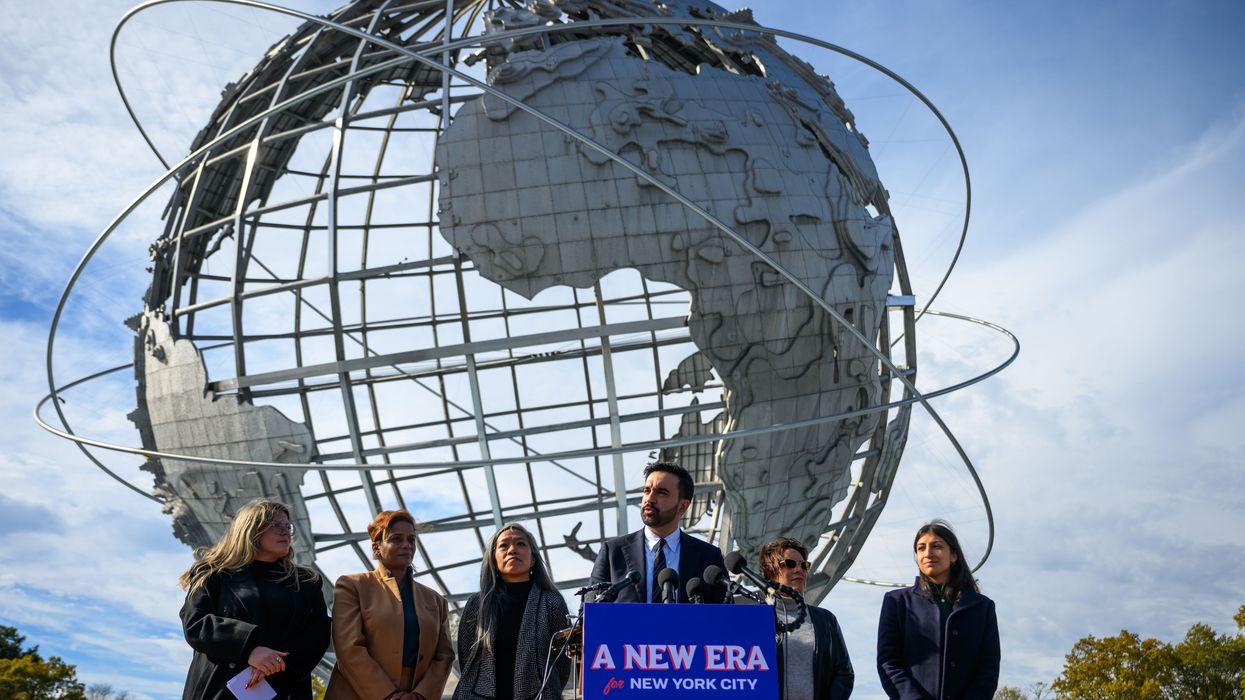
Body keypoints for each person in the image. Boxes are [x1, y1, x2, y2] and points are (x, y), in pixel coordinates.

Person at [179, 498, 330, 700]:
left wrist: (274, 663)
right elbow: (196, 623)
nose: (286, 532)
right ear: (251, 529)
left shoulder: (306, 582)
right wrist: (249, 650)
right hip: (220, 689)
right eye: (276, 525)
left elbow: (318, 633)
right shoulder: (213, 573)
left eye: (288, 526)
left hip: (283, 688)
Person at [326, 510, 453, 700]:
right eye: (396, 539)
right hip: (357, 693)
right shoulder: (352, 586)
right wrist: (386, 695)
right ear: (377, 548)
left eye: (411, 539)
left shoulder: (436, 601)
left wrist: (420, 695)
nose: (406, 545)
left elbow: (444, 656)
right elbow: (348, 649)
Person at [876, 520, 1000, 700]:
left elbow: (988, 667)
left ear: (954, 556)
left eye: (937, 546)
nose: (928, 553)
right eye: (921, 548)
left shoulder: (982, 607)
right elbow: (889, 663)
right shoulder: (896, 602)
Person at [454, 523, 571, 700]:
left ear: (533, 559)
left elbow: (562, 661)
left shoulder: (552, 602)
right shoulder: (477, 604)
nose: (512, 550)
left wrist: (546, 688)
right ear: (493, 559)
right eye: (503, 545)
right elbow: (466, 658)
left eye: (521, 544)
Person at [589, 461, 726, 603]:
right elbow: (589, 613)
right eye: (647, 491)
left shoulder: (709, 557)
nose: (650, 499)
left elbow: (725, 618)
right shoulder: (613, 552)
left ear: (682, 506)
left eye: (661, 493)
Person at [760, 536, 854, 700]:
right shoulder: (753, 621)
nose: (799, 569)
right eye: (790, 564)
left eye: (804, 565)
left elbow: (844, 674)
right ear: (770, 572)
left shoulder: (826, 620)